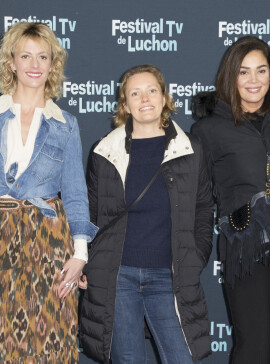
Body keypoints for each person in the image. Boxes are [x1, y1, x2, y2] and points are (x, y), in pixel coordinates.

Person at [0, 22, 97, 363]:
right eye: (26, 55)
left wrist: (80, 254)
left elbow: (74, 192)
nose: (35, 64)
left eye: (43, 56)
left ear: (53, 64)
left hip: (50, 241)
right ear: (11, 61)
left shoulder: (65, 123)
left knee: (48, 342)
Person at [79, 65, 214, 363]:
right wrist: (87, 260)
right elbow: (90, 213)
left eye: (152, 90)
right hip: (118, 277)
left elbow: (204, 208)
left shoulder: (190, 148)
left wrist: (197, 255)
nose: (145, 99)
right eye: (135, 93)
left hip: (170, 276)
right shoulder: (104, 151)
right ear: (125, 104)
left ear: (164, 96)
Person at [191, 36, 270, 364]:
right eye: (244, 72)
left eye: (261, 71)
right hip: (245, 249)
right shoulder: (207, 129)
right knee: (253, 347)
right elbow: (198, 198)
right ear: (230, 76)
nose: (253, 80)